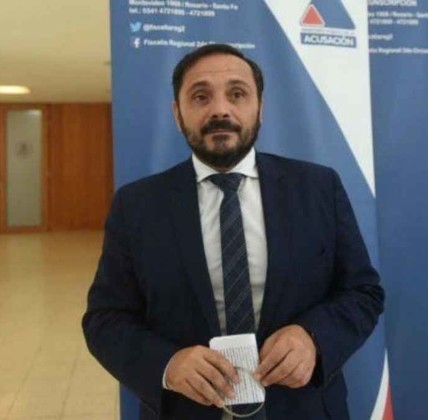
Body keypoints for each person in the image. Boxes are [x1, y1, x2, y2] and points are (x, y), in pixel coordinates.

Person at [82, 43, 384, 420]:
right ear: (177, 114)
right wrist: (167, 365)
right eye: (200, 97)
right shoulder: (137, 205)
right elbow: (105, 319)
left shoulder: (318, 188)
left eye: (237, 94)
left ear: (260, 108)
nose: (220, 110)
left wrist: (313, 339)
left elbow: (362, 292)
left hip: (303, 408)